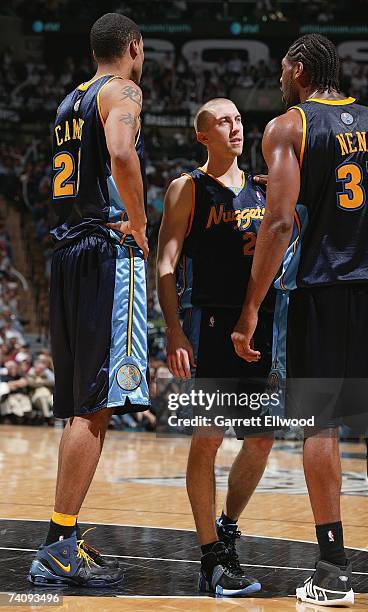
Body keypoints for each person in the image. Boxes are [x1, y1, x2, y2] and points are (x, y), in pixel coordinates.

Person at [232, 34, 368, 606]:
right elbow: (360, 200)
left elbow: (279, 224)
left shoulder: (290, 126)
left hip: (320, 288)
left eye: (283, 67)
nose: (281, 77)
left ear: (299, 69)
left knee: (321, 424)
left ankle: (332, 569)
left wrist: (251, 307)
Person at [156, 98, 296, 596]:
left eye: (238, 119)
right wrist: (174, 330)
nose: (235, 127)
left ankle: (229, 528)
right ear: (203, 135)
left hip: (260, 323)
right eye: (222, 121)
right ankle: (210, 555)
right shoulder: (186, 188)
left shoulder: (265, 188)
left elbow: (287, 242)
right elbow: (167, 262)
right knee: (208, 438)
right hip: (212, 322)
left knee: (261, 439)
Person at [29, 13, 149, 587]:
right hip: (102, 246)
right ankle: (59, 540)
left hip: (66, 249)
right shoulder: (122, 89)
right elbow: (122, 155)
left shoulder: (67, 101)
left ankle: (62, 536)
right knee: (94, 405)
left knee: (82, 404)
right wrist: (141, 222)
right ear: (133, 47)